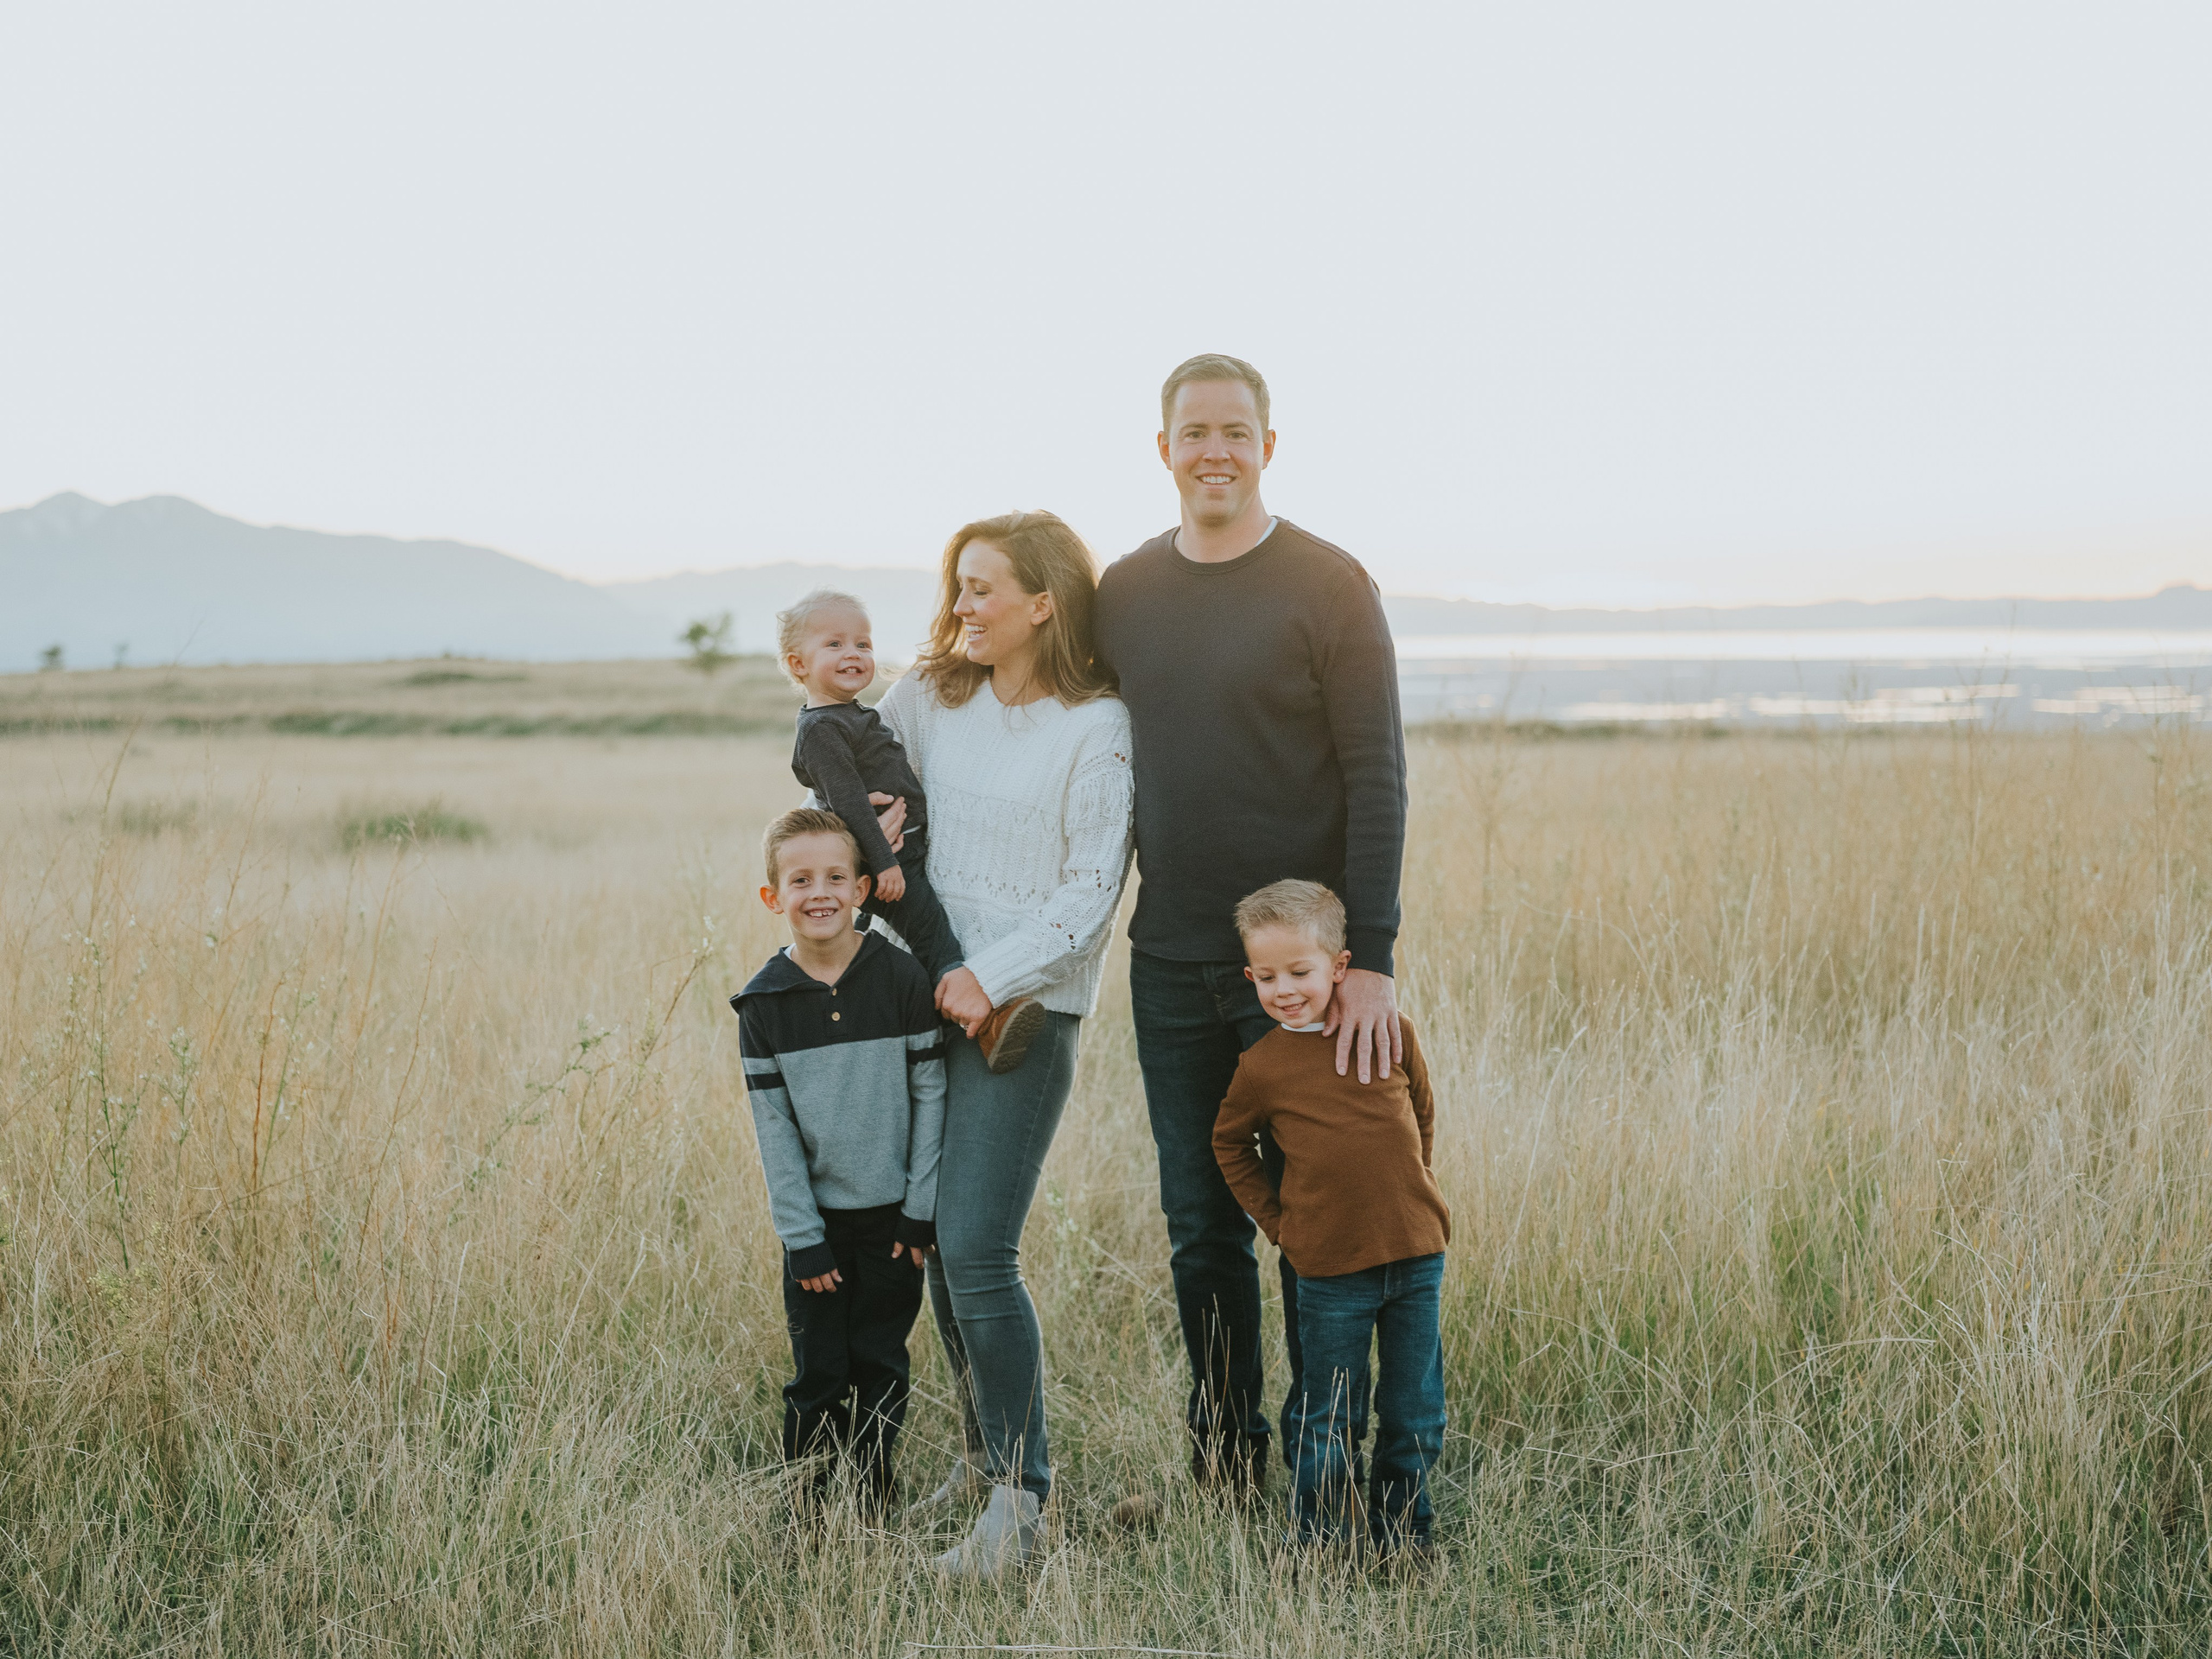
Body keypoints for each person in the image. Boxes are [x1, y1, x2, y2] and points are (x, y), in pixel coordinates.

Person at [1094, 353, 1408, 1503]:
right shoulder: (1124, 593)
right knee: (1203, 1226)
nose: (1214, 451)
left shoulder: (1329, 584)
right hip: (1171, 961)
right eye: (1194, 432)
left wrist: (1370, 963)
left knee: (1319, 1221)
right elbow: (1054, 725)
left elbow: (1378, 776)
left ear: (1267, 447)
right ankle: (1228, 1463)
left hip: (1303, 977)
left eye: (1235, 431)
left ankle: (1327, 1471)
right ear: (1163, 450)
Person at [862, 510, 1133, 1577]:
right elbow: (846, 765)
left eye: (983, 589)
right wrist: (862, 824)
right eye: (958, 585)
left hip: (1023, 1014)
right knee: (937, 1245)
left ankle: (1021, 1504)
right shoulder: (929, 695)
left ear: (1044, 603)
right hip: (915, 995)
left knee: (978, 1246)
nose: (962, 606)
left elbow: (1091, 890)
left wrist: (990, 977)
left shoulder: (1096, 726)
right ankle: (983, 1465)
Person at [1211, 880, 1447, 1559]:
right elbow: (1230, 1145)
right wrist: (1279, 1224)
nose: (1284, 990)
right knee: (1331, 1415)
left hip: (1416, 1256)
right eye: (1267, 977)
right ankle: (1323, 1543)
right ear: (1250, 977)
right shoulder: (1263, 1067)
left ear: (1340, 967)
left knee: (1415, 1412)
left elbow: (1421, 1111)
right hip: (1329, 1271)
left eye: (1300, 972)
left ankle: (1404, 1538)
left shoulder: (1392, 1032)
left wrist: (1416, 1185)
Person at [730, 807, 947, 1514]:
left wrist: (919, 1214)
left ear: (861, 888)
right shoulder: (763, 1003)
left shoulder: (902, 978)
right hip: (818, 1229)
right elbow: (775, 1134)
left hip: (895, 1224)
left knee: (881, 1365)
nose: (818, 893)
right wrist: (803, 1238)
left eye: (834, 877)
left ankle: (872, 1504)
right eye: (800, 880)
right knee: (819, 1375)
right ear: (773, 897)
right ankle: (808, 1514)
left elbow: (931, 1098)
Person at [777, 587, 1046, 1073]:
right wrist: (883, 863)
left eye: (863, 644)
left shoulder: (846, 715)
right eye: (834, 644)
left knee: (897, 941)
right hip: (888, 860)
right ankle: (987, 1025)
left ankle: (887, 1022)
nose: (854, 654)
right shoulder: (821, 729)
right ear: (799, 664)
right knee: (932, 936)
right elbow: (848, 803)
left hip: (897, 853)